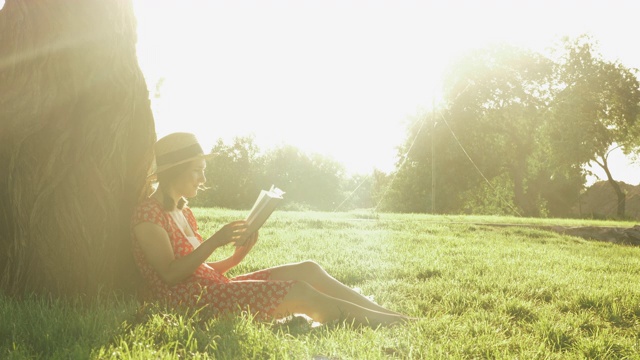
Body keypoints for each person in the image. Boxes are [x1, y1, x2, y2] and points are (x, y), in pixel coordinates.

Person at [132, 132, 412, 327]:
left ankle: (385, 313)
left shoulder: (184, 212)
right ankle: (389, 322)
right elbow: (170, 275)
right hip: (191, 301)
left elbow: (199, 269)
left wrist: (237, 257)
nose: (204, 178)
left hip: (213, 288)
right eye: (197, 170)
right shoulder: (149, 214)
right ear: (174, 171)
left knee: (308, 269)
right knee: (299, 290)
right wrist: (215, 241)